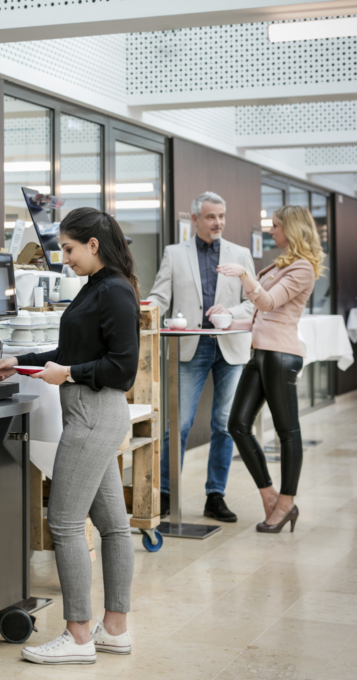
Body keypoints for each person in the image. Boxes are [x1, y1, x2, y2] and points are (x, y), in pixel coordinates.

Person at [0, 207, 139, 665]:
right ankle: (114, 629)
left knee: (65, 522)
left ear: (93, 246)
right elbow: (70, 351)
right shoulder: (98, 287)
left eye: (70, 250)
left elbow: (124, 369)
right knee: (114, 527)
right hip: (95, 414)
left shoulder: (114, 291)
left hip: (94, 414)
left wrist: (70, 373)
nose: (65, 258)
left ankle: (77, 636)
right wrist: (25, 360)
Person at [146, 191, 256, 522]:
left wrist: (231, 311)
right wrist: (141, 312)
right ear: (194, 220)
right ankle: (166, 493)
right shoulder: (174, 253)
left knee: (224, 423)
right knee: (177, 424)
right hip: (189, 345)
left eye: (221, 216)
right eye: (211, 217)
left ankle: (215, 495)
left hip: (230, 345)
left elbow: (254, 301)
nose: (218, 222)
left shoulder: (241, 254)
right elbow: (159, 297)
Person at [224, 206, 322, 533]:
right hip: (262, 352)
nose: (272, 231)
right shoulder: (284, 263)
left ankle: (287, 502)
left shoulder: (303, 268)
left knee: (287, 432)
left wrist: (243, 274)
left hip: (280, 355)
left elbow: (267, 302)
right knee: (237, 423)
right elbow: (260, 315)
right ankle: (269, 496)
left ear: (292, 230)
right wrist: (227, 319)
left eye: (276, 226)